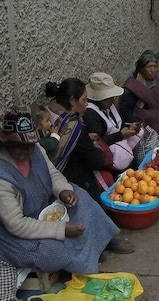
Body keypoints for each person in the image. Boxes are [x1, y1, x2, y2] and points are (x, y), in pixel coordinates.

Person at [0, 109, 132, 283]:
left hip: (46, 207)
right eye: (19, 146)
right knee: (53, 251)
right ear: (7, 144)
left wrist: (63, 191)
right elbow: (17, 225)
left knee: (80, 196)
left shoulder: (36, 148)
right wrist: (60, 229)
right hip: (17, 234)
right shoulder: (3, 176)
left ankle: (99, 244)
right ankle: (81, 258)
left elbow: (52, 174)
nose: (26, 151)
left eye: (29, 145)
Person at [44, 79, 110, 201]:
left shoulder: (48, 113)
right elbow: (96, 161)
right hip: (73, 183)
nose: (86, 103)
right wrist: (99, 150)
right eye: (84, 99)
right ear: (72, 101)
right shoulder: (74, 128)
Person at [84, 72, 143, 172]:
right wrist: (121, 135)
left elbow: (117, 122)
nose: (112, 100)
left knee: (140, 131)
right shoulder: (90, 114)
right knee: (121, 158)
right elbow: (99, 142)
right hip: (109, 146)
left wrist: (129, 126)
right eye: (109, 97)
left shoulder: (108, 104)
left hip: (119, 138)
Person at [120, 50, 159, 138]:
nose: (152, 70)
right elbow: (126, 110)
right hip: (150, 120)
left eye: (154, 66)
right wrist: (135, 126)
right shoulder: (134, 86)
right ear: (141, 69)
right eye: (148, 67)